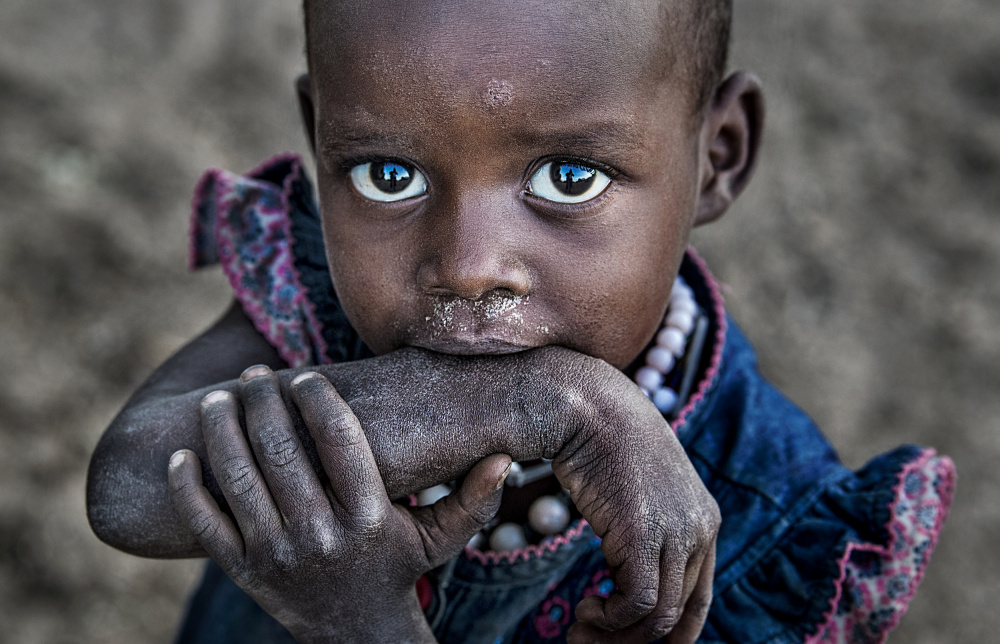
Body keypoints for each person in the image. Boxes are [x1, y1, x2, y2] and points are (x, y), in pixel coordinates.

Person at [85, 1, 955, 642]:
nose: (467, 266)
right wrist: (544, 402)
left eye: (569, 177)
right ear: (321, 142)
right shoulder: (318, 295)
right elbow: (128, 485)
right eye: (388, 174)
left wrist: (364, 626)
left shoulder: (760, 537)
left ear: (717, 155)